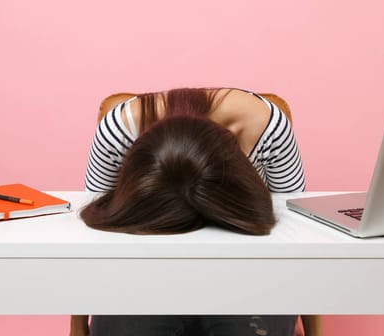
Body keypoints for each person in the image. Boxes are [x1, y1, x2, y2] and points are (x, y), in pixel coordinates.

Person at [80, 87, 306, 335]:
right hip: (144, 273)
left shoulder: (267, 128)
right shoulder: (119, 132)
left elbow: (295, 224)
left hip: (247, 273)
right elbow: (99, 227)